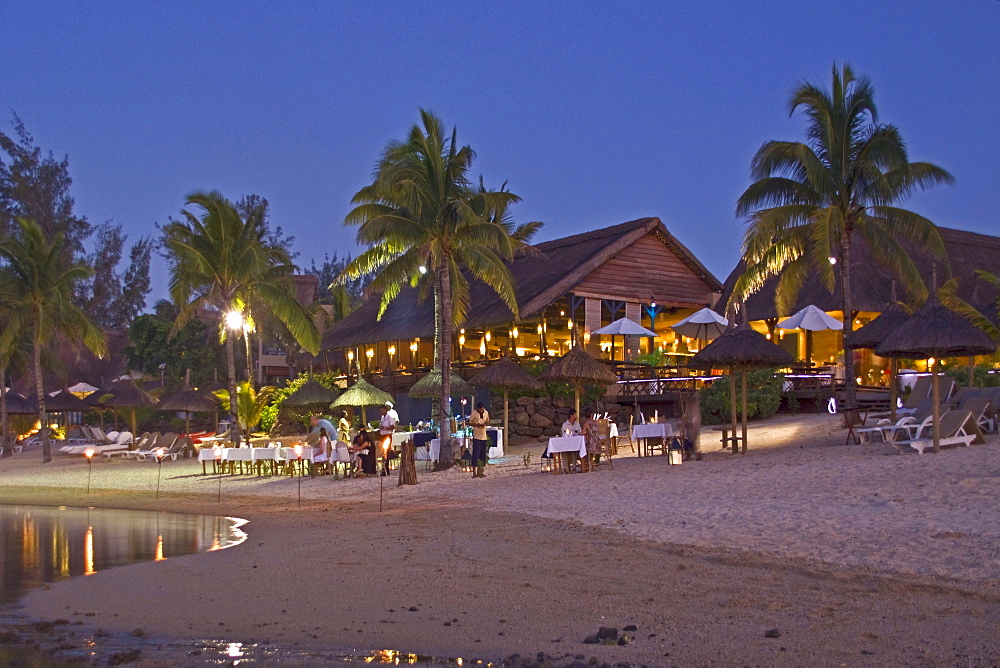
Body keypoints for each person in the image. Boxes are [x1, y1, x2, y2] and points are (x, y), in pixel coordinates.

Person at [468, 401, 490, 479]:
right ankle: (474, 473)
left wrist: (485, 423)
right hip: (476, 436)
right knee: (476, 454)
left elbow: (487, 420)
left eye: (482, 409)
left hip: (483, 436)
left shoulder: (486, 413)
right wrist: (476, 425)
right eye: (479, 409)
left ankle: (481, 471)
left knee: (482, 455)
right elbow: (470, 422)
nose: (481, 410)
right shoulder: (474, 413)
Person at [378, 402, 398, 476]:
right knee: (383, 452)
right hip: (382, 435)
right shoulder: (382, 418)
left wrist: (386, 428)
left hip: (387, 435)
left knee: (387, 452)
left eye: (382, 410)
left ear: (385, 410)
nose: (381, 412)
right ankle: (383, 469)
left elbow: (393, 426)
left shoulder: (389, 417)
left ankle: (387, 468)